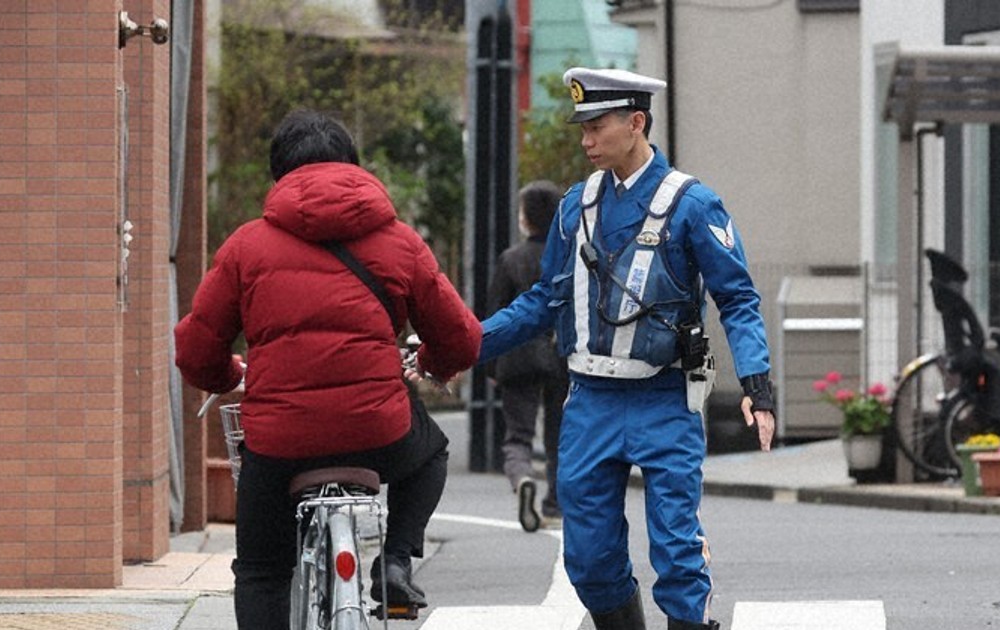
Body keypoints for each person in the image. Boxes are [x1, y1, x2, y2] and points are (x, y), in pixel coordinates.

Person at [478, 67, 777, 630]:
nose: (586, 140)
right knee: (588, 559)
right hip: (589, 398)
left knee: (675, 550)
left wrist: (757, 386)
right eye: (582, 129)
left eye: (597, 126)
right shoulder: (575, 206)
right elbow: (544, 300)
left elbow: (736, 298)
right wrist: (466, 343)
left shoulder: (693, 203)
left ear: (636, 122)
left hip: (664, 398)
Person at [174, 109, 481, 629]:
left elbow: (196, 350)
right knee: (431, 452)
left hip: (280, 443)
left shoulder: (247, 247)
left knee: (261, 571)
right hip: (378, 433)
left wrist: (227, 376)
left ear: (280, 175)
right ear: (354, 169)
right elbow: (461, 337)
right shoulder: (400, 241)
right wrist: (430, 363)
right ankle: (397, 561)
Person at [488, 180, 569, 532]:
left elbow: (495, 313)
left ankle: (522, 477)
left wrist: (491, 366)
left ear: (526, 218)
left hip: (517, 357)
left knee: (517, 434)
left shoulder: (511, 259)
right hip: (561, 356)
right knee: (559, 435)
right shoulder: (568, 256)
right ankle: (554, 504)